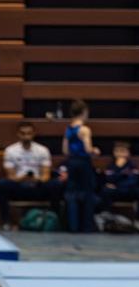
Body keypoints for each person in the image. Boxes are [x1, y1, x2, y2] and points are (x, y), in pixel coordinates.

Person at [0, 122, 63, 229]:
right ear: (18, 134)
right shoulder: (11, 150)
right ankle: (6, 221)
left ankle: (53, 218)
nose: (26, 136)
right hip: (19, 186)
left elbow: (46, 176)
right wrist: (23, 178)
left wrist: (36, 179)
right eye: (23, 133)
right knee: (2, 184)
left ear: (33, 134)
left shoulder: (42, 150)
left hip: (37, 187)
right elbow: (11, 176)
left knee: (56, 184)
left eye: (29, 133)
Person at [62, 99, 100, 233]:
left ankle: (72, 226)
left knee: (72, 194)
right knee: (87, 193)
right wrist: (95, 151)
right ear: (84, 112)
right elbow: (88, 149)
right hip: (83, 163)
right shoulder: (84, 129)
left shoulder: (68, 129)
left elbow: (65, 150)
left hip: (72, 162)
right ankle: (87, 226)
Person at [99, 141, 139, 222]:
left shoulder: (132, 166)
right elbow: (109, 179)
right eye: (117, 151)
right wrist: (118, 169)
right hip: (115, 192)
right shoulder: (111, 166)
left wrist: (118, 184)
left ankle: (137, 219)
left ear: (128, 153)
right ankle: (106, 214)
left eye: (123, 151)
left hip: (128, 191)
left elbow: (133, 181)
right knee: (106, 190)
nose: (120, 154)